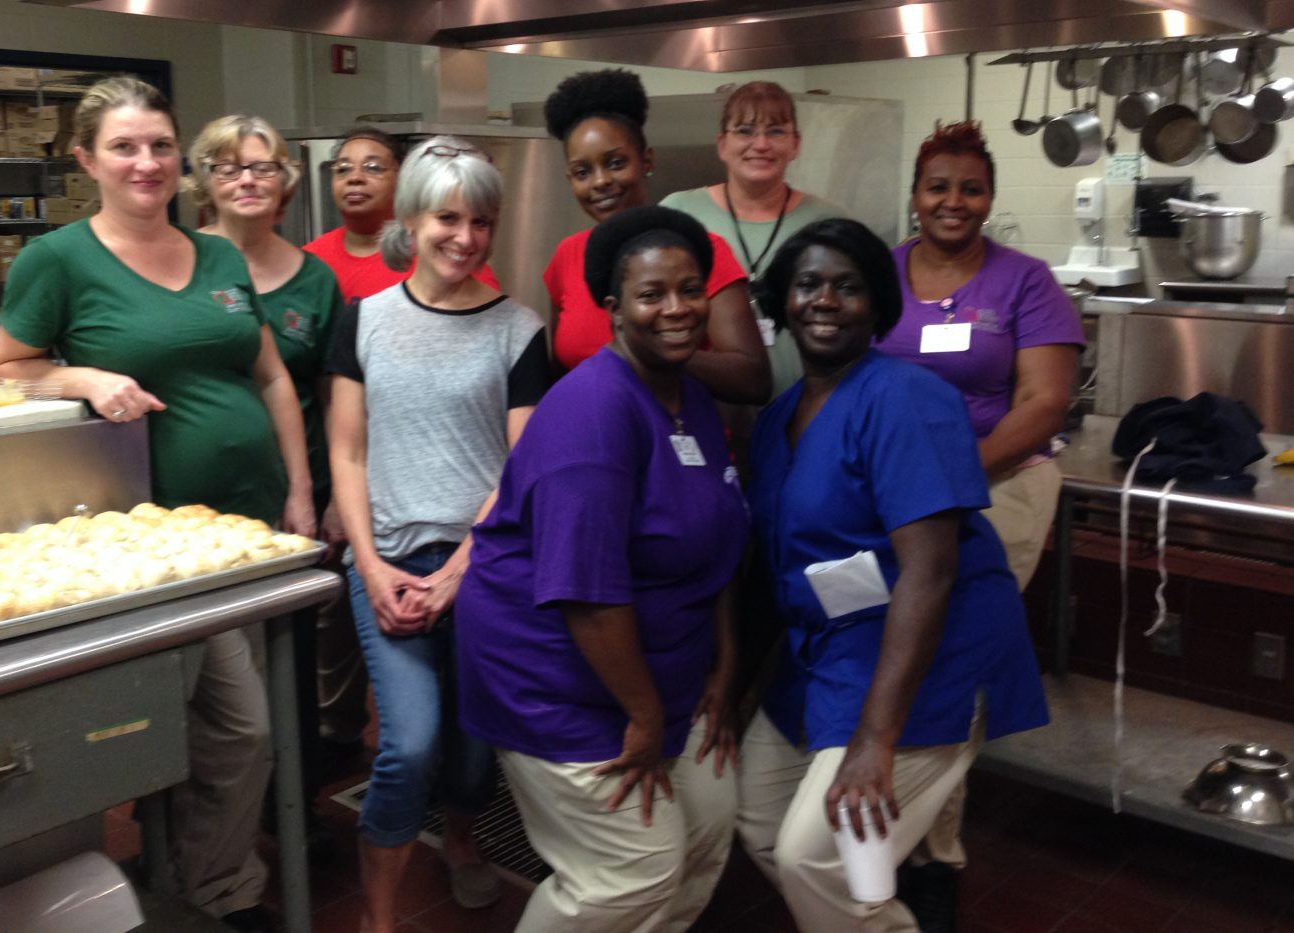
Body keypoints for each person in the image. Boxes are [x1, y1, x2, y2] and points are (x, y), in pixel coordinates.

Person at [0, 77, 317, 927]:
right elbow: (6, 370)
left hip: (245, 534)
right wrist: (84, 376)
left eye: (161, 146)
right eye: (126, 147)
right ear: (87, 159)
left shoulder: (217, 257)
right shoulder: (56, 260)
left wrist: (302, 492)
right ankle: (185, 887)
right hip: (147, 548)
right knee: (208, 733)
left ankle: (205, 882)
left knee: (230, 737)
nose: (147, 162)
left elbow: (271, 374)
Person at [735, 218, 1048, 933]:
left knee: (820, 854)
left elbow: (931, 571)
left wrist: (877, 739)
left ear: (877, 306)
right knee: (758, 818)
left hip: (928, 657)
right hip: (833, 653)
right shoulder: (781, 414)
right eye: (809, 284)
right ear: (783, 299)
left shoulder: (905, 397)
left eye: (848, 287)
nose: (825, 300)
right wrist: (733, 688)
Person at [457, 205, 749, 932]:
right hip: (557, 675)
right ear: (615, 310)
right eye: (652, 294)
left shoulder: (694, 402)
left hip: (660, 668)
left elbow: (710, 538)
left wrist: (723, 661)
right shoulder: (592, 414)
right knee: (630, 873)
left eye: (690, 288)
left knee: (710, 829)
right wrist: (646, 717)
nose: (677, 308)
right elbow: (586, 594)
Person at [325, 135, 550, 933]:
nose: (466, 236)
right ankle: (379, 917)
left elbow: (519, 469)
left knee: (474, 743)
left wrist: (460, 570)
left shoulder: (519, 329)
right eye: (448, 216)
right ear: (412, 220)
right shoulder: (364, 320)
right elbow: (347, 449)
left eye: (482, 220)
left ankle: (462, 836)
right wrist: (372, 562)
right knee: (411, 741)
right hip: (385, 555)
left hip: (484, 564)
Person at [872, 121, 1082, 928]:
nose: (953, 201)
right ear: (916, 194)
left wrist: (955, 474)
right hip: (890, 496)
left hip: (1000, 490)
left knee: (947, 665)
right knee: (889, 658)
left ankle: (936, 858)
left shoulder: (1025, 281)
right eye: (938, 186)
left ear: (988, 197)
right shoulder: (882, 273)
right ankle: (881, 833)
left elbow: (1044, 402)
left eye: (969, 187)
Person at [187, 114, 346, 846]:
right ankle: (216, 834)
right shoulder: (178, 263)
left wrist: (319, 492)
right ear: (204, 181)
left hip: (291, 501)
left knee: (291, 664)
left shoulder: (315, 278)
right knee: (214, 686)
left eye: (262, 167)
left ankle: (293, 811)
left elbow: (335, 393)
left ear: (285, 181)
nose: (246, 180)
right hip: (192, 506)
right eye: (228, 167)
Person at [540, 68, 770, 404]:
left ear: (646, 160)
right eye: (582, 172)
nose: (601, 181)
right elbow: (560, 378)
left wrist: (652, 347)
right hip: (598, 444)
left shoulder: (701, 251)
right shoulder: (567, 256)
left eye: (616, 163)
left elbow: (753, 380)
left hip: (681, 445)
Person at [660, 80, 847, 396]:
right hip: (705, 408)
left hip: (807, 409)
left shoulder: (830, 223)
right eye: (745, 131)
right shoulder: (678, 214)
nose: (760, 144)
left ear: (795, 144)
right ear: (722, 144)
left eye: (775, 131)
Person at [305, 126, 499, 303]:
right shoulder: (310, 261)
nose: (355, 178)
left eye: (373, 167)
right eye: (343, 169)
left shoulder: (445, 259)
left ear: (403, 179)